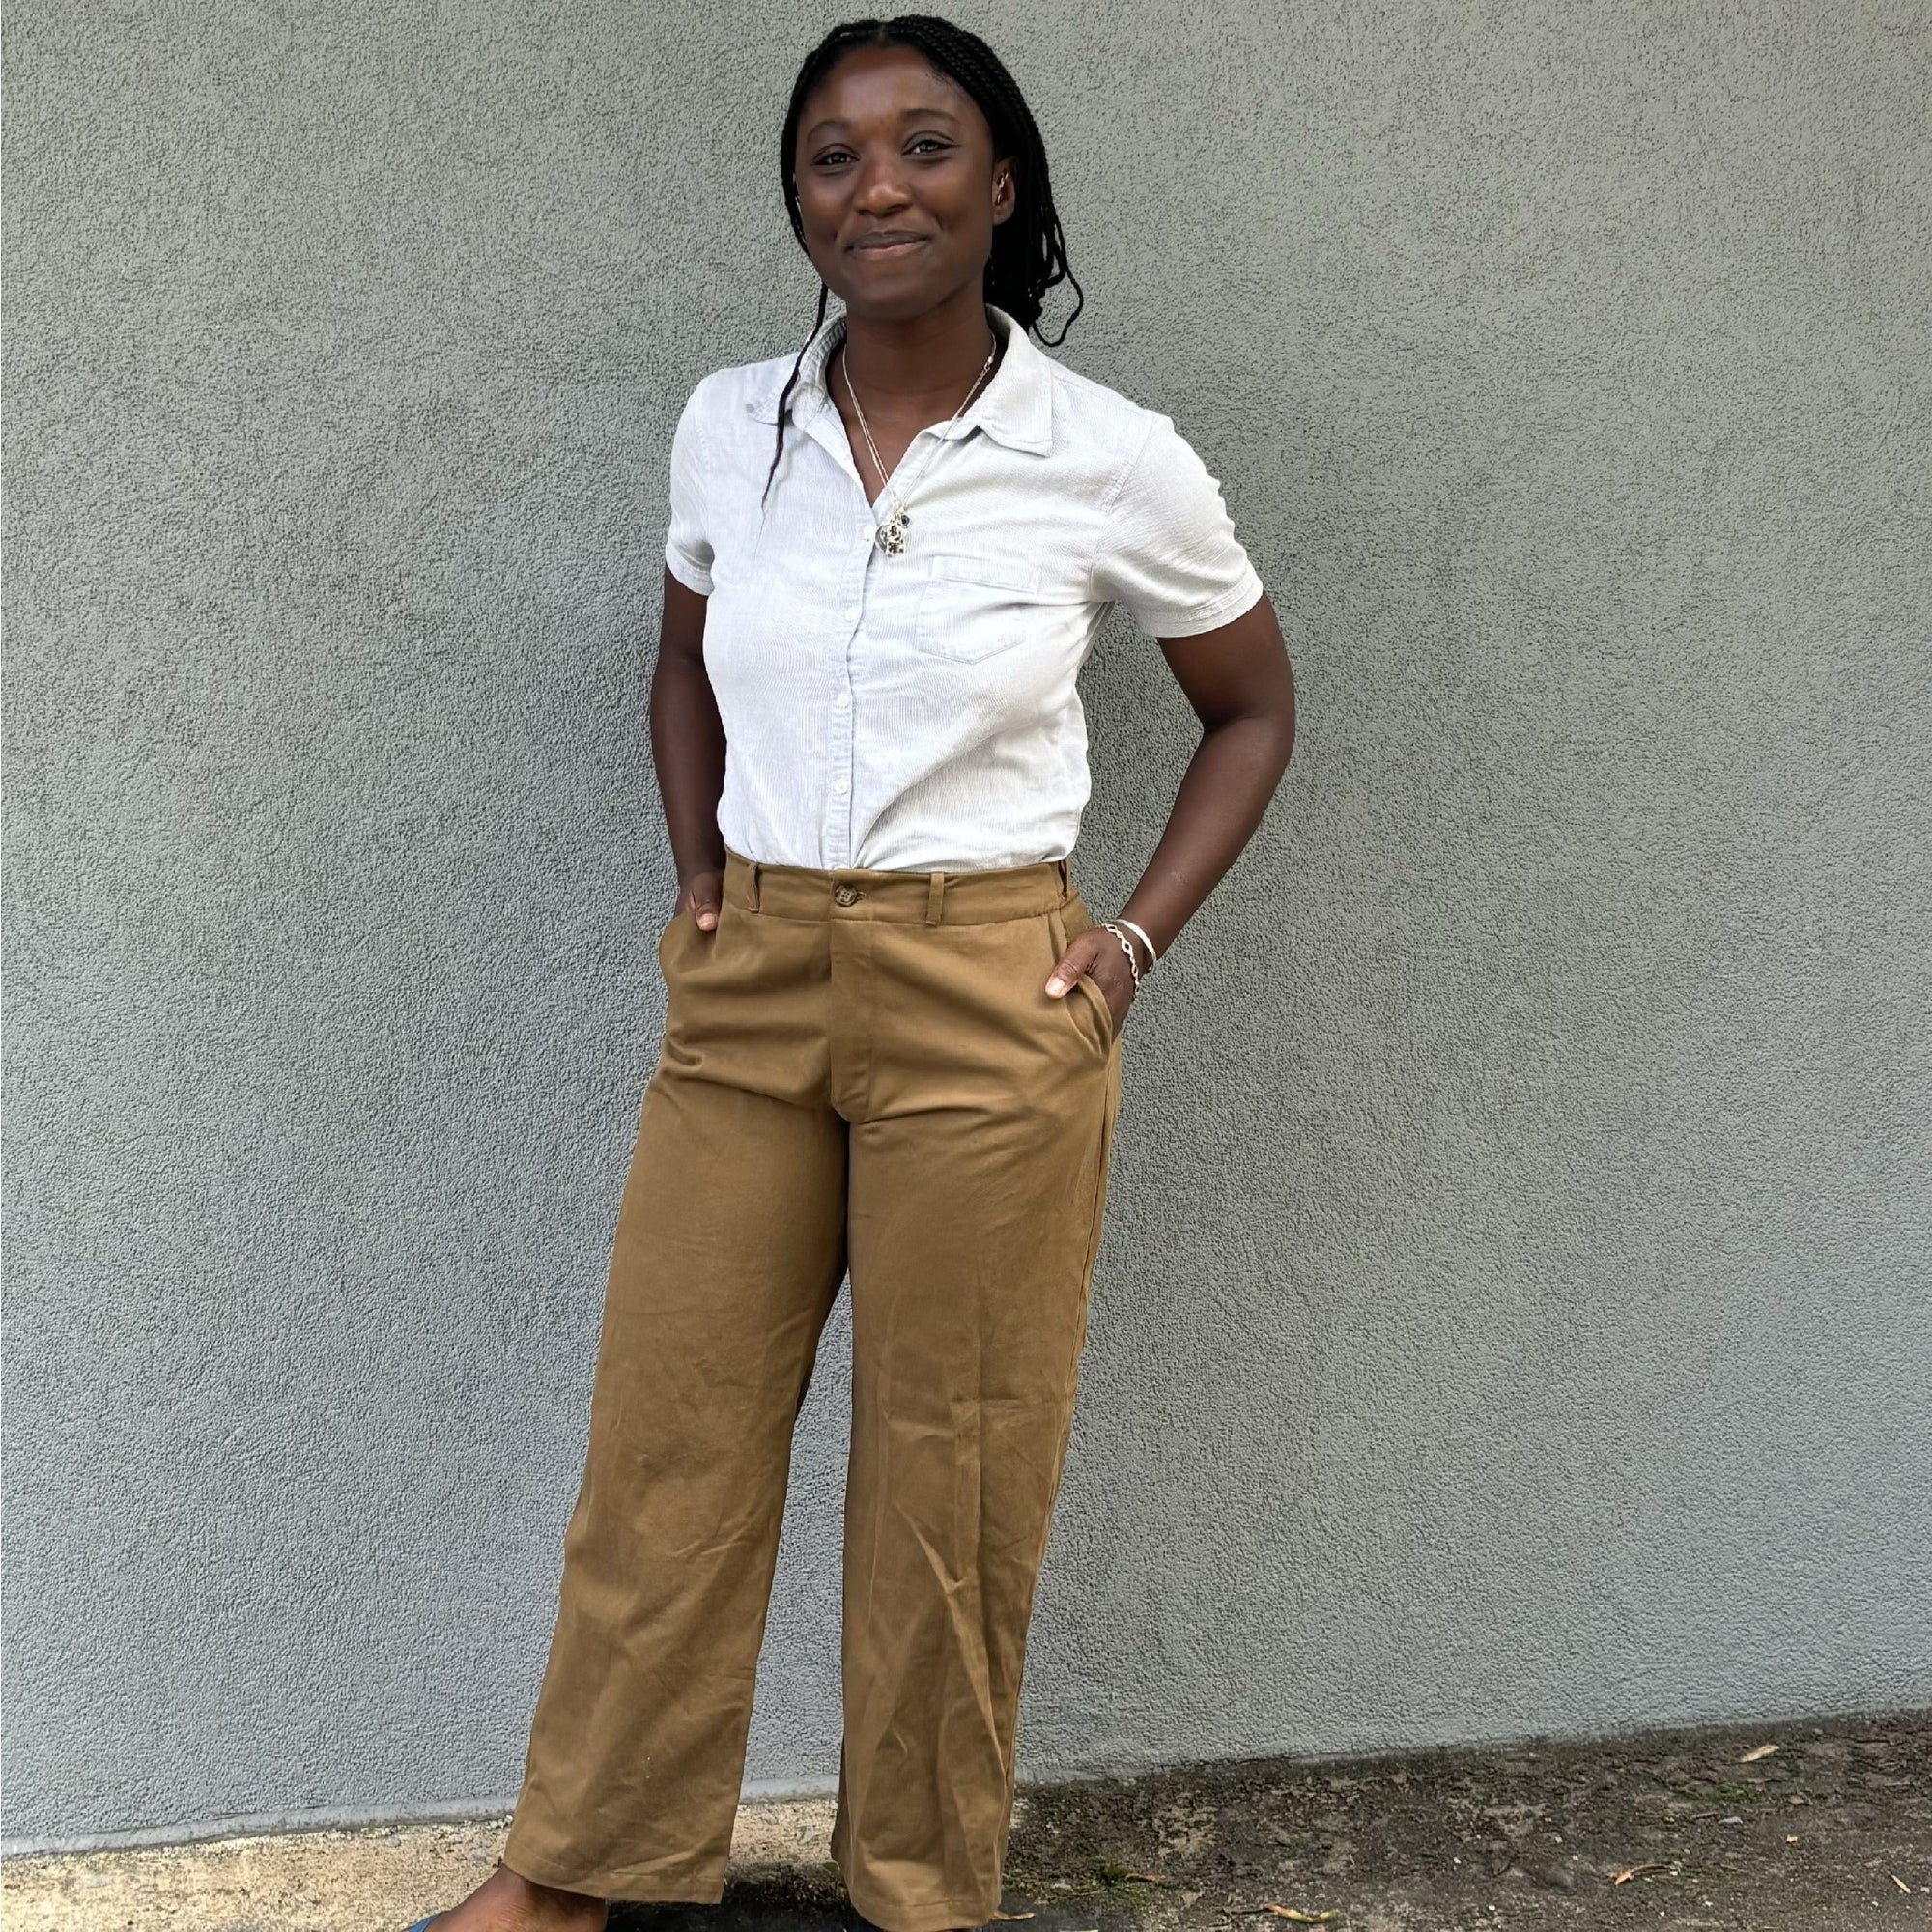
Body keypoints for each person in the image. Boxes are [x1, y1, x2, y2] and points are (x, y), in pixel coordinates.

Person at [405, 14, 1294, 1932]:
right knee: (668, 1441)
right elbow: (679, 664)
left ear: (998, 185)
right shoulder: (733, 423)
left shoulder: (1107, 455)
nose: (877, 186)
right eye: (833, 154)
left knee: (949, 1482)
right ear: (798, 197)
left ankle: (917, 1895)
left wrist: (1127, 938)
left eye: (924, 146)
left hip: (992, 984)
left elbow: (1248, 710)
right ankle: (569, 1877)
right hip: (754, 980)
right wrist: (699, 872)